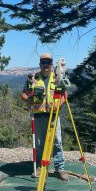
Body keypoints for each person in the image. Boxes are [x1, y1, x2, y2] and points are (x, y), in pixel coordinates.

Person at [21, 53, 68, 181]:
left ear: (52, 64)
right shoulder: (33, 78)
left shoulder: (57, 77)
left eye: (48, 62)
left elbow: (65, 95)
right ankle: (41, 167)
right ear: (40, 64)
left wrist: (58, 106)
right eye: (43, 62)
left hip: (53, 115)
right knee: (39, 143)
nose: (46, 64)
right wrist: (28, 100)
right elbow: (23, 94)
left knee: (57, 142)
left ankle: (60, 169)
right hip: (38, 115)